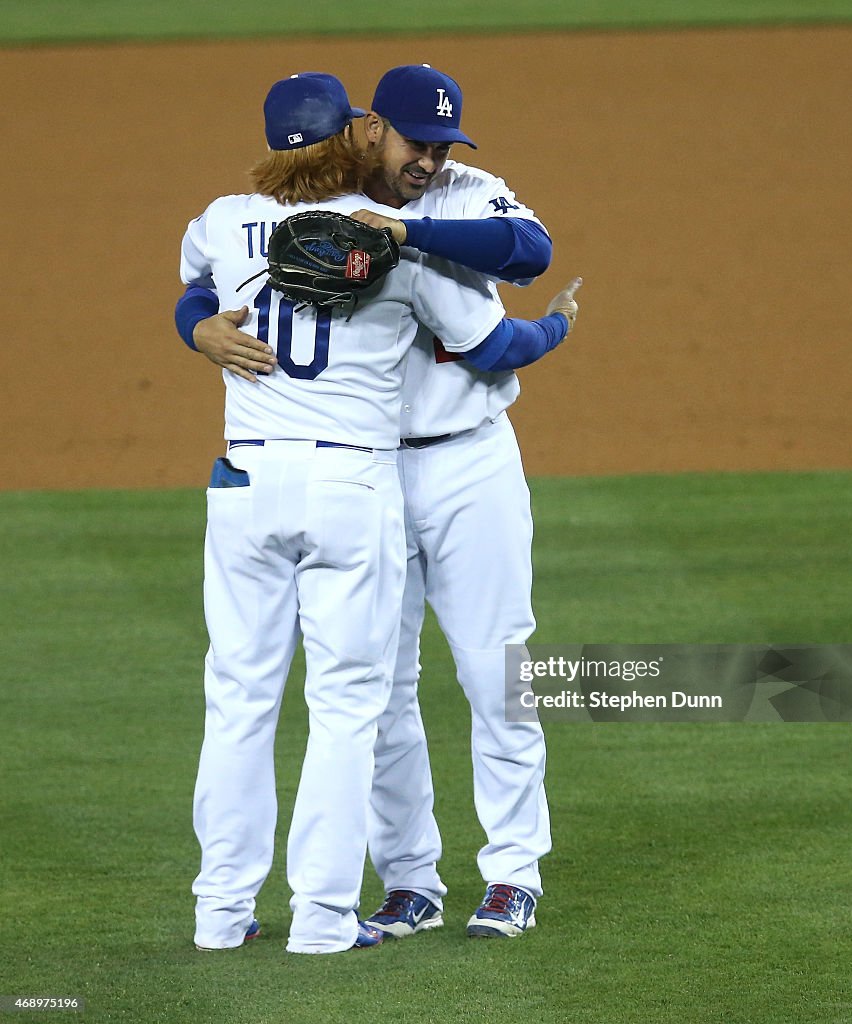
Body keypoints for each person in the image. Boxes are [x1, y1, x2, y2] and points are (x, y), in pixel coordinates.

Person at [176, 64, 580, 942]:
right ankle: (408, 878)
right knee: (382, 692)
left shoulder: (463, 192)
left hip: (466, 463)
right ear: (366, 131)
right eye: (415, 145)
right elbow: (206, 288)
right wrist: (197, 325)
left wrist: (411, 230)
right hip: (366, 479)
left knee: (493, 671)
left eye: (443, 147)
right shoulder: (318, 220)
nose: (430, 162)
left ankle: (512, 873)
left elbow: (529, 251)